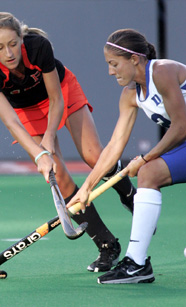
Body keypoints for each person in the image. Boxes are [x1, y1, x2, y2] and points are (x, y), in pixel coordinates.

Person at [0, 13, 136, 272]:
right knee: (58, 175)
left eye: (13, 44)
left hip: (61, 92)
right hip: (25, 112)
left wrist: (50, 137)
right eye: (0, 47)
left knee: (94, 155)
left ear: (21, 38)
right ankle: (107, 245)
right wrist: (40, 155)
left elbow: (56, 99)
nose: (8, 53)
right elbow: (12, 123)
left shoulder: (38, 47)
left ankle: (130, 197)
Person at [67, 28, 186, 284]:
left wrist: (144, 158)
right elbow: (114, 145)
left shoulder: (162, 71)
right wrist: (86, 187)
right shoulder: (130, 95)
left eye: (114, 64)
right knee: (149, 173)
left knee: (147, 168)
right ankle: (137, 265)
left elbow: (180, 126)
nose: (111, 71)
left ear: (134, 59)